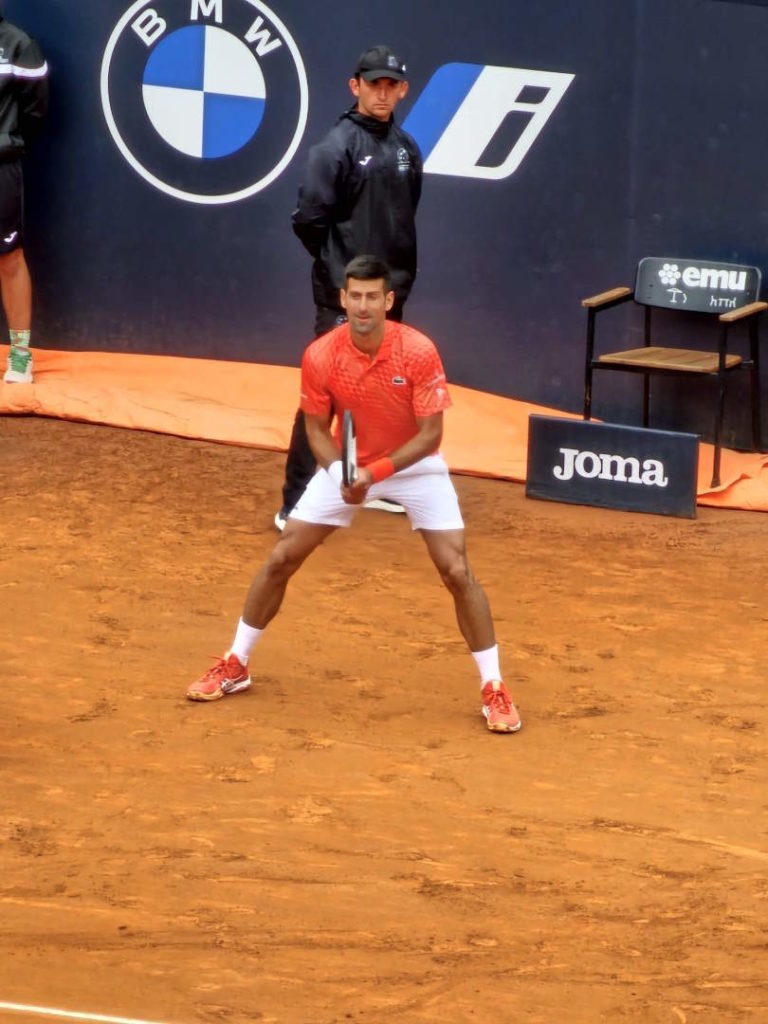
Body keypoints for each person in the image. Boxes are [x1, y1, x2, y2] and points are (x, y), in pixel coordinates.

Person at [187, 256, 521, 734]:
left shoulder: (419, 352)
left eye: (372, 297)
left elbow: (430, 437)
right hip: (349, 465)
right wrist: (340, 469)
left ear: (388, 301)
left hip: (413, 465)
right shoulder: (321, 355)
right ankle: (235, 663)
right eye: (355, 296)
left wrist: (376, 471)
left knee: (456, 569)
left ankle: (493, 689)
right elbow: (316, 430)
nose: (363, 306)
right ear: (343, 299)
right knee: (283, 555)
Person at [275, 44, 423, 531]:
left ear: (401, 90)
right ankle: (294, 502)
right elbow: (309, 220)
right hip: (345, 294)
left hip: (389, 294)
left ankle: (366, 484)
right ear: (354, 86)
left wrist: (388, 284)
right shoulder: (335, 147)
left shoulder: (406, 150)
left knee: (380, 393)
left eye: (391, 85)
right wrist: (342, 272)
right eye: (373, 84)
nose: (382, 94)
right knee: (327, 395)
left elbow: (406, 215)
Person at [0, 13, 48, 385]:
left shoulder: (18, 43)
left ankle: (19, 356)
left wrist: (8, 146)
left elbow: (35, 111)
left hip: (2, 167)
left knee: (10, 259)